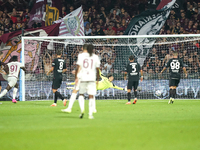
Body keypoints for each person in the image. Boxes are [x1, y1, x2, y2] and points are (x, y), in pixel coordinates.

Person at [74, 44, 100, 119]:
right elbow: (98, 69)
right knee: (91, 95)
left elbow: (78, 67)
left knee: (81, 94)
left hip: (83, 77)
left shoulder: (81, 56)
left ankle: (82, 109)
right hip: (92, 78)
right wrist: (98, 79)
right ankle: (90, 114)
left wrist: (76, 77)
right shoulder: (95, 57)